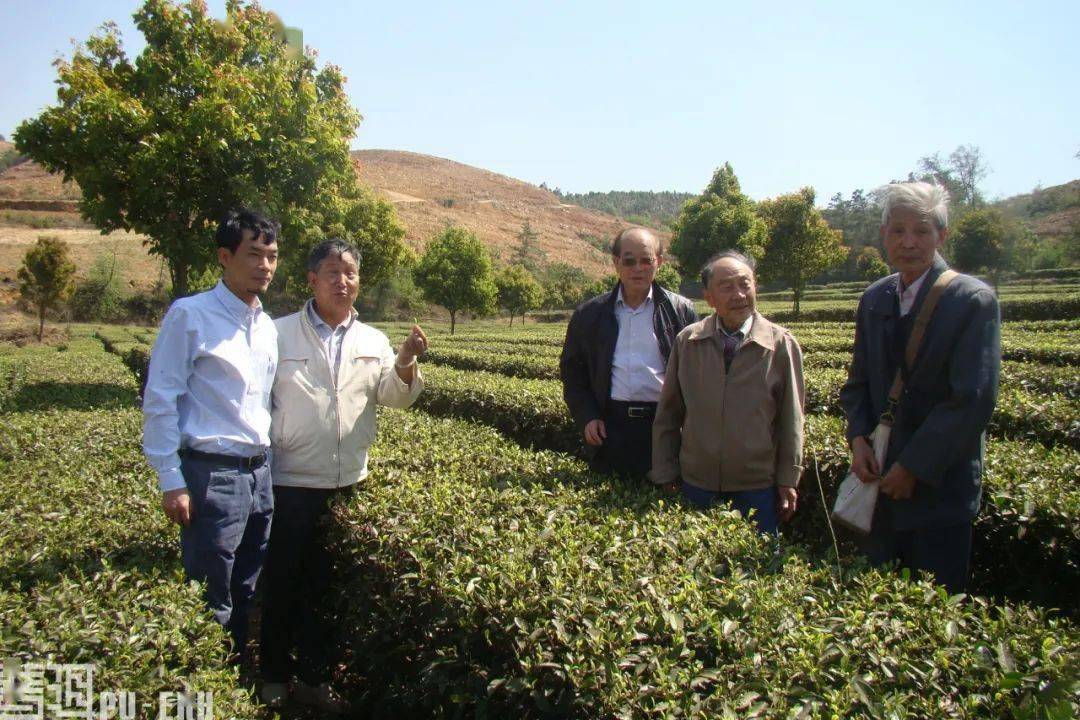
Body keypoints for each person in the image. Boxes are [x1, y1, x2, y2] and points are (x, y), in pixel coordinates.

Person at [259, 239, 426, 712]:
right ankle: (272, 674)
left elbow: (394, 397)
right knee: (282, 583)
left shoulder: (372, 340)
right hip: (290, 481)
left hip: (347, 482)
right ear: (311, 280)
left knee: (326, 589)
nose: (342, 281)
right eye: (332, 272)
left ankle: (315, 677)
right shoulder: (277, 334)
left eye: (350, 272)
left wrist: (407, 360)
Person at [839, 182, 1000, 593]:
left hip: (937, 492)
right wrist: (858, 439)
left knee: (934, 607)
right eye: (898, 231)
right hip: (879, 483)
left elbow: (971, 399)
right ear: (884, 236)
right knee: (875, 605)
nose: (908, 242)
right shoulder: (875, 298)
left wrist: (913, 467)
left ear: (941, 236)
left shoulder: (971, 300)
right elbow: (858, 384)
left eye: (921, 231)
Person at [142, 208, 280, 652]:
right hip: (212, 475)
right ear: (225, 256)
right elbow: (161, 398)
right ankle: (210, 688)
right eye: (254, 254)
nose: (265, 266)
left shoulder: (266, 326)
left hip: (260, 474)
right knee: (210, 596)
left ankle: (237, 676)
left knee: (246, 587)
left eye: (272, 256)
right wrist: (170, 480)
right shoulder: (191, 314)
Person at [650, 250, 803, 533]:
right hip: (697, 483)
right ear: (708, 297)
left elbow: (791, 419)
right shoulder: (688, 341)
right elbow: (669, 412)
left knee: (757, 570)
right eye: (727, 287)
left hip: (756, 485)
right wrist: (664, 470)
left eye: (745, 284)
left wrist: (788, 479)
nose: (739, 295)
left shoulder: (781, 344)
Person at [559, 227, 697, 479]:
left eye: (647, 260)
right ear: (616, 263)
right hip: (612, 428)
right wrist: (587, 416)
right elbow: (573, 373)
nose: (638, 268)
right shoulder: (589, 315)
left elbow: (696, 375)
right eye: (629, 261)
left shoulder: (681, 311)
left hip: (664, 427)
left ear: (659, 263)